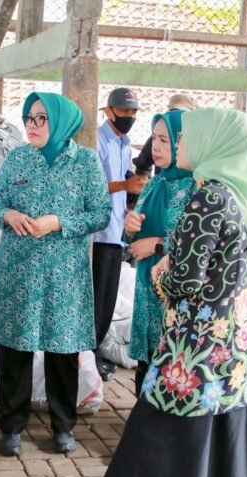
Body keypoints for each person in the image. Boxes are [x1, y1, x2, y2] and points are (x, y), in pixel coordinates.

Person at [79, 108, 247, 477]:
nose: (176, 146)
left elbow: (184, 278)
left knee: (161, 421)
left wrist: (164, 267)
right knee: (204, 430)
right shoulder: (238, 193)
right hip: (232, 340)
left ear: (209, 144)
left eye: (182, 139)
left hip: (197, 343)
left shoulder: (208, 196)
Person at [0, 92, 111, 457]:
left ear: (61, 123)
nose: (32, 126)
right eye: (29, 118)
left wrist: (60, 223)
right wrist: (8, 216)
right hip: (18, 270)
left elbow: (100, 214)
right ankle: (11, 428)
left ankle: (63, 427)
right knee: (14, 352)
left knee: (62, 352)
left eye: (41, 119)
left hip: (64, 274)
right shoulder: (18, 158)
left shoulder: (84, 162)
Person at [124, 109, 196, 396]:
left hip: (175, 292)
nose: (156, 147)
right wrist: (130, 227)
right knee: (146, 362)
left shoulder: (197, 187)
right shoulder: (156, 182)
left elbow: (200, 244)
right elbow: (132, 233)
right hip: (147, 286)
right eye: (154, 139)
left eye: (165, 140)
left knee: (170, 361)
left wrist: (156, 244)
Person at [93, 87, 147, 381]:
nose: (129, 117)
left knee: (108, 300)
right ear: (109, 111)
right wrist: (124, 186)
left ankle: (95, 352)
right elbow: (90, 187)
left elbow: (124, 183)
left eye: (133, 113)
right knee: (97, 298)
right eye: (124, 112)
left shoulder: (125, 144)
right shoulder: (98, 141)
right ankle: (87, 356)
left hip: (117, 231)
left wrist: (133, 188)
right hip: (99, 234)